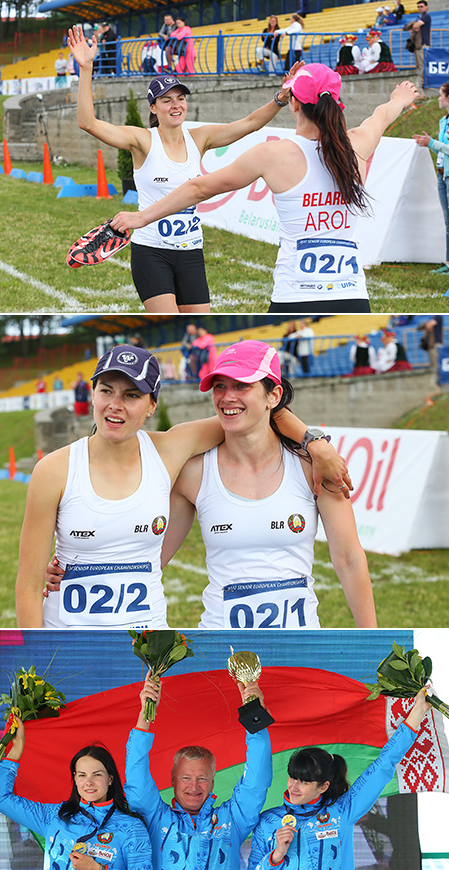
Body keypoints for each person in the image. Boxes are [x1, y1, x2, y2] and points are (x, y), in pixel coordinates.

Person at [27, 343, 350, 628]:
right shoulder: (54, 469)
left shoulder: (170, 449)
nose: (115, 404)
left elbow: (261, 412)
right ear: (92, 393)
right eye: (106, 391)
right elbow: (26, 585)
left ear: (152, 405)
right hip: (67, 634)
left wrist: (315, 443)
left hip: (148, 642)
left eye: (132, 395)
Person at [118, 64, 420, 314]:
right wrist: (400, 98)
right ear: (337, 103)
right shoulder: (359, 143)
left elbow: (198, 189)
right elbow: (382, 114)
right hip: (353, 296)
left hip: (295, 296)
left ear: (294, 103)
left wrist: (140, 218)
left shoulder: (273, 154)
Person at [68, 25, 296, 315]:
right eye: (166, 100)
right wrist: (86, 68)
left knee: (200, 324)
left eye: (180, 98)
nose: (176, 105)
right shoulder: (142, 140)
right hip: (151, 251)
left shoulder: (199, 138)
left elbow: (249, 123)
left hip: (190, 251)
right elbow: (89, 123)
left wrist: (280, 98)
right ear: (153, 108)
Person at [160, 340, 377, 628]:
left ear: (273, 395)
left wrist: (372, 639)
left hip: (300, 646)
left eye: (241, 386)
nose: (226, 397)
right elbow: (152, 560)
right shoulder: (193, 473)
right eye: (220, 386)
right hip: (220, 647)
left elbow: (349, 560)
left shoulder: (312, 466)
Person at [244, 689, 430, 870]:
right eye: (293, 777)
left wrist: (417, 712)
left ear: (323, 787)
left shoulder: (341, 812)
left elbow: (383, 765)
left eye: (304, 782)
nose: (293, 786)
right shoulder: (269, 821)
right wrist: (276, 855)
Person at [124, 670, 272, 870]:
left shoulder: (231, 819)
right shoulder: (156, 819)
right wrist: (146, 711)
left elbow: (257, 782)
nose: (194, 786)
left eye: (202, 778)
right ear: (172, 781)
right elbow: (136, 779)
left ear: (213, 782)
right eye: (186, 778)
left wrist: (255, 716)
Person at [0, 716, 154, 870]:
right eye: (82, 775)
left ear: (110, 778)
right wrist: (15, 751)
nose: (89, 782)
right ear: (74, 779)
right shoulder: (54, 817)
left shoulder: (131, 827)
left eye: (97, 774)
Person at [414, 84, 449, 275]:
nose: (438, 98)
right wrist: (428, 144)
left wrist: (433, 143)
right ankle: (448, 262)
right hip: (442, 175)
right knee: (448, 221)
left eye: (441, 95)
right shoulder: (443, 121)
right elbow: (442, 149)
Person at [412, 0, 431, 85]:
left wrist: (415, 26)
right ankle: (420, 82)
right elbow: (413, 27)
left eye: (421, 6)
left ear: (426, 7)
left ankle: (424, 83)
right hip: (418, 44)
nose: (420, 8)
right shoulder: (419, 17)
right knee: (418, 65)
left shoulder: (426, 16)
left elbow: (415, 26)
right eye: (418, 7)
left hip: (423, 43)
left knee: (422, 64)